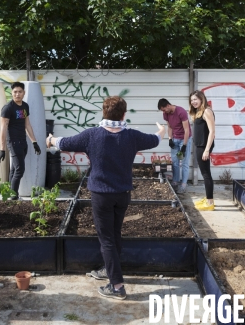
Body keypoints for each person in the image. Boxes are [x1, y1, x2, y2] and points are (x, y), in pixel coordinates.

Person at [46, 96, 165, 300]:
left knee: (107, 240)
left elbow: (64, 142)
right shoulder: (132, 136)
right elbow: (155, 139)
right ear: (124, 114)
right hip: (123, 195)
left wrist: (50, 140)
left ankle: (117, 286)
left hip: (101, 196)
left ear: (104, 113)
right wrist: (162, 131)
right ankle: (107, 270)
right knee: (114, 234)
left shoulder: (91, 135)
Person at [0, 82, 41, 196]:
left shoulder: (25, 106)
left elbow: (27, 125)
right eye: (15, 92)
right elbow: (3, 128)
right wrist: (2, 149)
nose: (17, 94)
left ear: (24, 93)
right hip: (14, 142)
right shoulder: (8, 108)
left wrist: (34, 142)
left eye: (20, 92)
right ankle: (14, 194)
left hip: (23, 142)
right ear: (11, 93)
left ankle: (9, 193)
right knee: (20, 170)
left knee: (14, 169)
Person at [189, 90, 216, 211]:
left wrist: (207, 150)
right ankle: (208, 198)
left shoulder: (207, 111)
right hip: (200, 145)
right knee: (205, 173)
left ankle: (210, 202)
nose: (193, 102)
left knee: (206, 174)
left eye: (195, 99)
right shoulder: (199, 111)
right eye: (191, 100)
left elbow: (212, 132)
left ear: (201, 99)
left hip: (204, 146)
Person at [157, 98, 192, 192]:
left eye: (164, 109)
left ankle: (184, 183)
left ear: (168, 106)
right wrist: (170, 139)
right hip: (175, 139)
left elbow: (187, 130)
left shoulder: (181, 112)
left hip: (185, 139)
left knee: (184, 162)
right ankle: (175, 181)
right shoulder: (166, 114)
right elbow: (169, 127)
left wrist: (184, 145)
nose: (163, 112)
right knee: (175, 162)